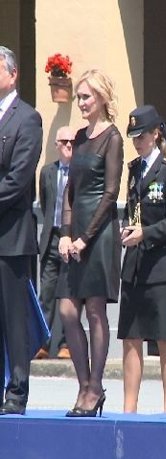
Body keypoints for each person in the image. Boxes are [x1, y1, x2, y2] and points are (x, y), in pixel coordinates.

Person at [57, 69, 124, 417]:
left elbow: (111, 193)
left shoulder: (112, 137)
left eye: (86, 96)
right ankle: (83, 384)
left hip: (100, 235)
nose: (81, 102)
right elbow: (70, 192)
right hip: (76, 232)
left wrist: (85, 238)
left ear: (101, 98)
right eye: (79, 96)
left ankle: (95, 387)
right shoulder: (80, 137)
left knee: (95, 311)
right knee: (68, 310)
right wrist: (66, 234)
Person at [118, 105, 166, 413]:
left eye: (141, 136)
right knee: (131, 337)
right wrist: (128, 231)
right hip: (135, 262)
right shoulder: (134, 170)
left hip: (162, 265)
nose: (137, 142)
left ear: (156, 134)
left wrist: (147, 232)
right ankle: (130, 408)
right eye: (133, 137)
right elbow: (133, 210)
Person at [0, 46, 43, 416]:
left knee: (14, 317)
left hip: (10, 235)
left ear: (13, 75)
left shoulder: (27, 118)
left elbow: (17, 179)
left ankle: (17, 390)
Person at [35, 126, 74, 361]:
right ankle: (43, 343)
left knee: (70, 295)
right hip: (52, 237)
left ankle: (66, 344)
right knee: (47, 294)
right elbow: (44, 202)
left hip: (72, 239)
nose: (70, 145)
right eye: (65, 141)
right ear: (57, 145)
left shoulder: (80, 172)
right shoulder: (48, 172)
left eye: (73, 141)